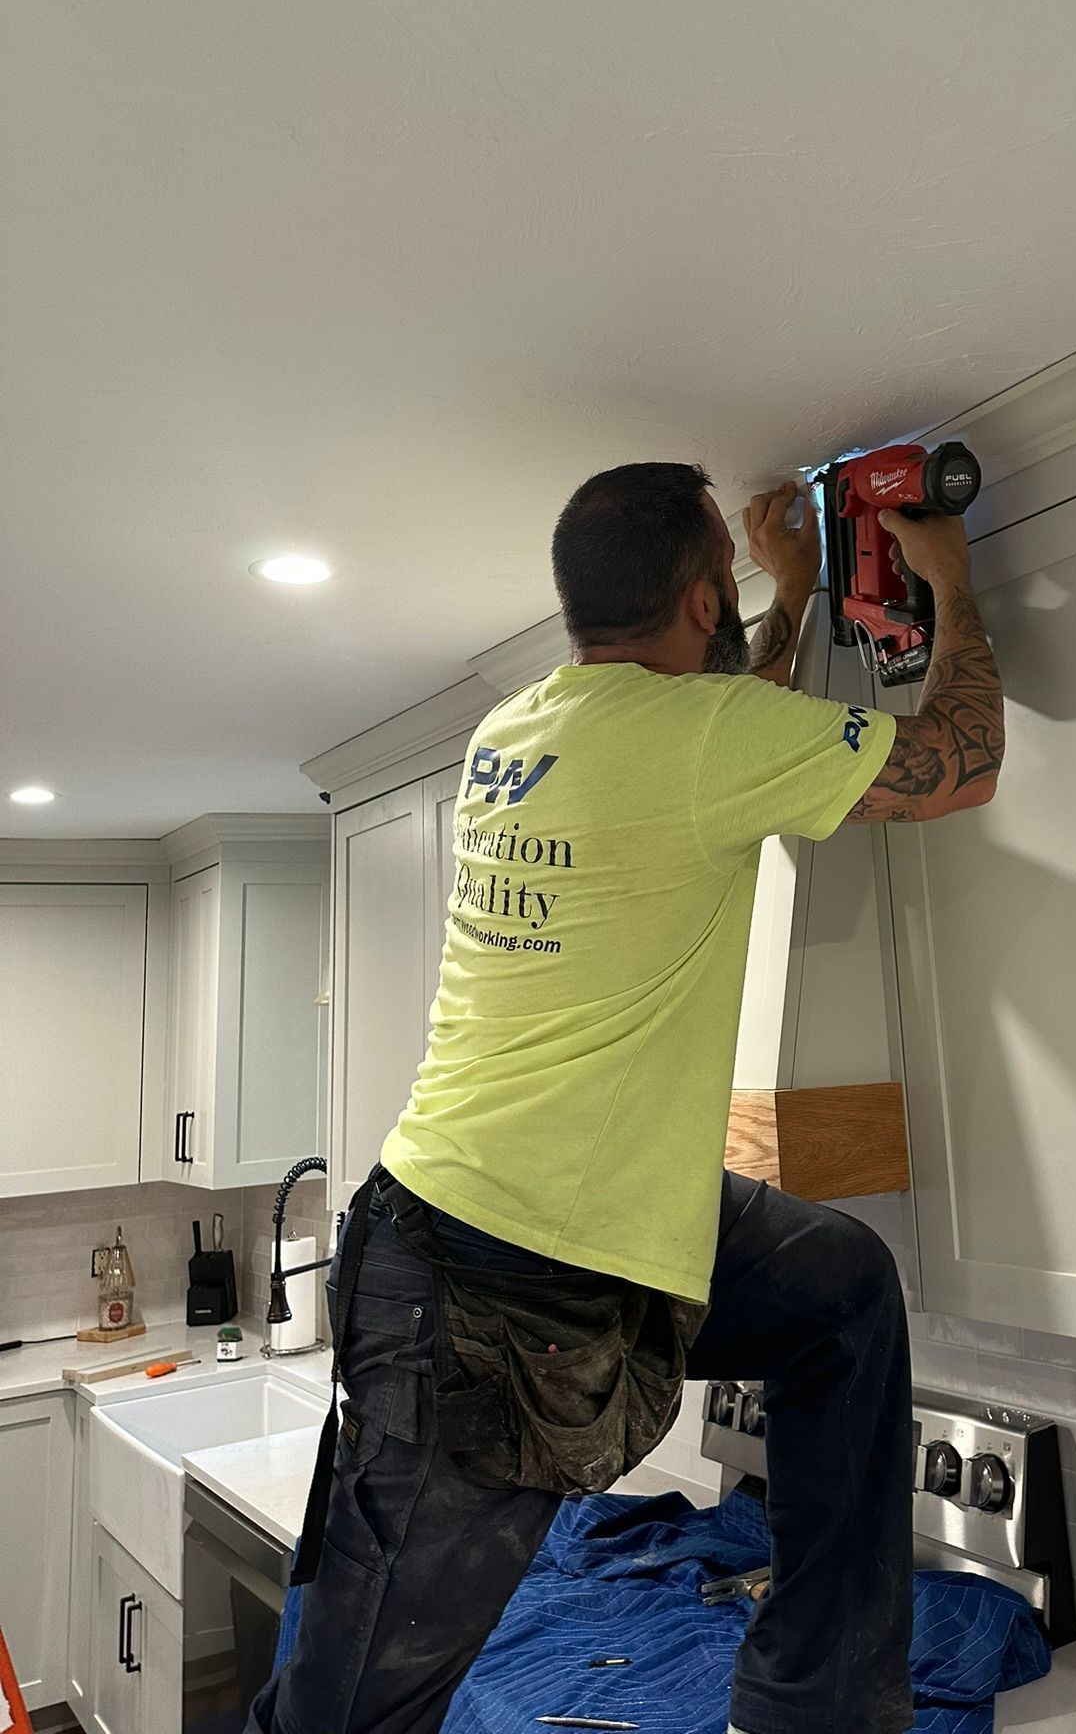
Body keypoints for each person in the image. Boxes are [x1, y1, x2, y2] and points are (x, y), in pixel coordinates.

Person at [250, 463, 1004, 1734]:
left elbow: (721, 720)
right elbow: (958, 765)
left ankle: (815, 1706)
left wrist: (796, 592)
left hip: (575, 1218)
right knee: (350, 1702)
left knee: (840, 1289)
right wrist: (954, 587)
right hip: (477, 1282)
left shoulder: (516, 730)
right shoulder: (707, 738)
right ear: (706, 599)